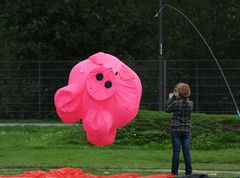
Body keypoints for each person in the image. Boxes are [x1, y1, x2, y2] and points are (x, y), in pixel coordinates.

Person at [165, 83, 194, 176]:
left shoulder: (176, 103)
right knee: (187, 152)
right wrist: (178, 97)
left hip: (176, 130)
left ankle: (174, 173)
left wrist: (171, 98)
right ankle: (189, 173)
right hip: (186, 131)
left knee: (176, 152)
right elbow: (184, 102)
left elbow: (167, 109)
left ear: (179, 93)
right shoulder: (191, 104)